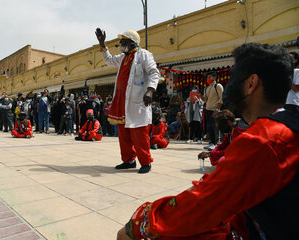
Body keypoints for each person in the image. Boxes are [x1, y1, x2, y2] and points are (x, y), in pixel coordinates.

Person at [117, 43, 299, 240]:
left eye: (233, 77)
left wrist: (143, 220)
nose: (229, 85)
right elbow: (224, 184)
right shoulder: (285, 123)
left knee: (135, 232)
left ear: (251, 83)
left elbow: (203, 204)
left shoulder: (265, 139)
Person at [95, 28, 159, 174]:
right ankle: (129, 160)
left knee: (139, 133)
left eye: (123, 42)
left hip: (137, 101)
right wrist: (102, 43)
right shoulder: (122, 58)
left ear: (132, 43)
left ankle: (145, 162)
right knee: (123, 133)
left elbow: (154, 73)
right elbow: (108, 60)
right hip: (121, 101)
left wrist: (150, 90)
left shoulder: (144, 55)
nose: (121, 44)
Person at [203, 71, 224, 150]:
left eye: (210, 77)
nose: (208, 79)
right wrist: (199, 95)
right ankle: (211, 142)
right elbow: (205, 100)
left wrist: (217, 109)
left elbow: (221, 98)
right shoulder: (207, 88)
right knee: (209, 127)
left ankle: (215, 143)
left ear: (214, 77)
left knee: (213, 126)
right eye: (207, 77)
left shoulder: (218, 86)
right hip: (208, 109)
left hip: (214, 110)